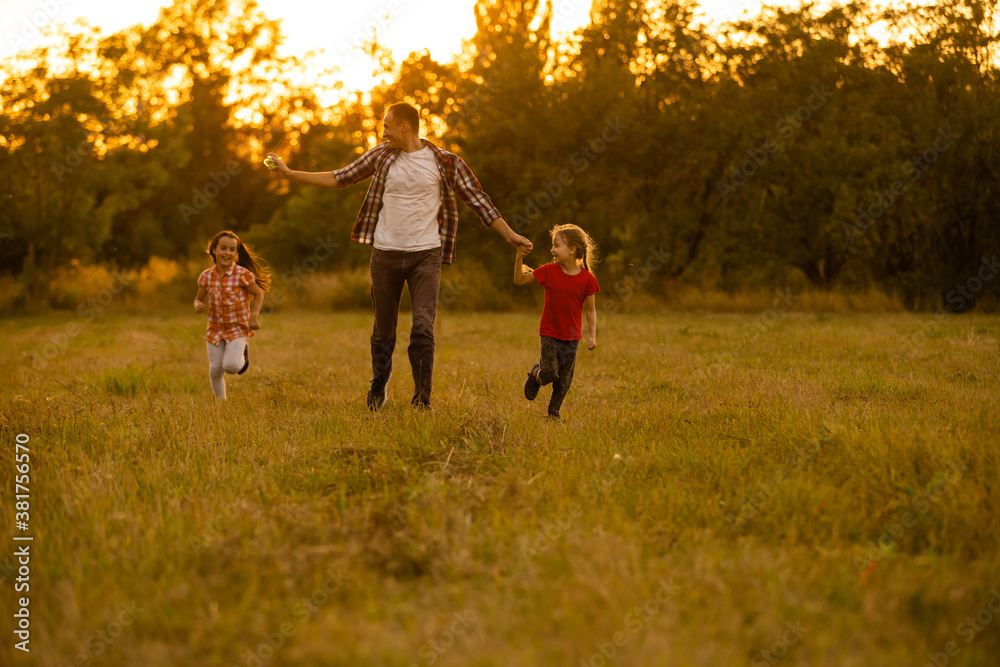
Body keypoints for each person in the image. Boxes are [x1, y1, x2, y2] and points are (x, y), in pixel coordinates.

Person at [265, 101, 532, 410]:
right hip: (385, 255)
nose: (383, 133)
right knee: (383, 331)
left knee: (422, 327)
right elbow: (341, 177)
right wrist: (289, 174)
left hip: (426, 255)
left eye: (387, 127)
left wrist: (510, 235)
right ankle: (380, 381)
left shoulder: (446, 162)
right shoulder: (381, 156)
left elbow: (479, 201)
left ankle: (422, 399)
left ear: (405, 126)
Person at [514, 224, 599, 420]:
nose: (552, 250)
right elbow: (519, 280)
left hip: (572, 337)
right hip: (550, 333)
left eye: (557, 245)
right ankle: (536, 373)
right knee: (549, 374)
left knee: (564, 381)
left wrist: (592, 335)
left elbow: (591, 310)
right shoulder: (549, 271)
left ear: (572, 249)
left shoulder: (588, 279)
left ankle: (553, 414)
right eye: (552, 245)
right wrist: (519, 258)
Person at [194, 231, 271, 400]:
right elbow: (198, 298)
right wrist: (198, 304)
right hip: (215, 329)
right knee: (215, 369)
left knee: (231, 367)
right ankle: (221, 403)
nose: (227, 253)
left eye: (232, 249)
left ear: (236, 253)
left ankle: (244, 353)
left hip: (237, 328)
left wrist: (254, 316)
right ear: (214, 250)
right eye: (223, 248)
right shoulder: (206, 276)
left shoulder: (242, 275)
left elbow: (258, 294)